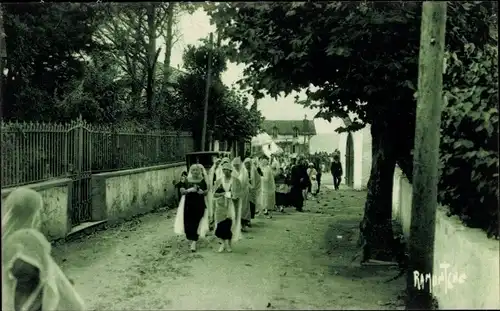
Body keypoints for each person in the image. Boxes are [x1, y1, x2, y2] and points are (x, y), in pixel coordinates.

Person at [2, 188, 85, 311]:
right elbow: (27, 283)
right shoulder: (27, 239)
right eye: (39, 211)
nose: (40, 216)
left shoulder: (7, 238)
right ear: (32, 214)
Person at [174, 164, 209, 252]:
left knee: (196, 222)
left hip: (199, 204)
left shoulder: (202, 180)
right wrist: (187, 190)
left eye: (197, 170)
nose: (195, 172)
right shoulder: (186, 181)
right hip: (188, 204)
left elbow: (205, 192)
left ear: (199, 171)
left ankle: (194, 242)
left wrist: (201, 192)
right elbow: (182, 191)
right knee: (188, 223)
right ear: (190, 171)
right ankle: (191, 237)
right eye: (193, 170)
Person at [213, 161, 242, 252]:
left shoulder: (236, 181)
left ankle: (228, 244)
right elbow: (214, 194)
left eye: (227, 170)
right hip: (221, 205)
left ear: (231, 171)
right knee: (220, 225)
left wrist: (232, 195)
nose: (225, 172)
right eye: (224, 170)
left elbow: (239, 194)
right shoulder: (219, 181)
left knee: (229, 225)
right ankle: (222, 243)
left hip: (231, 205)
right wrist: (223, 193)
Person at [232, 157, 251, 231]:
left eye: (237, 165)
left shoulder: (244, 171)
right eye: (235, 165)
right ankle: (237, 225)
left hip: (243, 192)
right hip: (236, 192)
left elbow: (244, 182)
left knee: (244, 209)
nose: (236, 166)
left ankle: (244, 224)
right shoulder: (233, 172)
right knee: (236, 209)